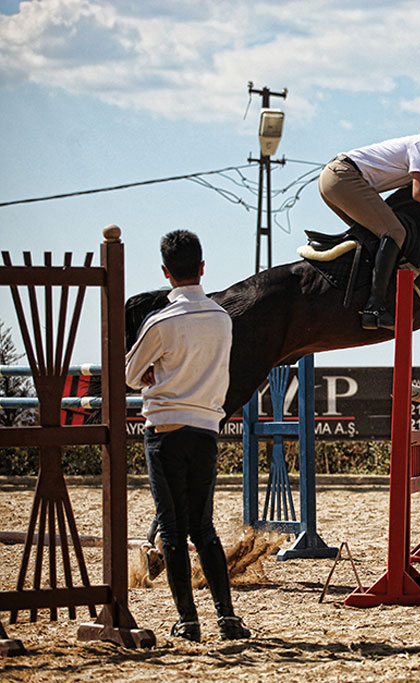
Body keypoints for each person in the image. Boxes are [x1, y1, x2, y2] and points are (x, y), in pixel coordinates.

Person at [125, 230, 250, 643]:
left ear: (165, 272)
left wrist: (151, 372)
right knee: (204, 527)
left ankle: (187, 619)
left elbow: (129, 374)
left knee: (173, 530)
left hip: (164, 428)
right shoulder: (222, 317)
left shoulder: (160, 321)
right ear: (202, 268)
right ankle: (227, 616)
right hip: (206, 429)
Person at [319, 112, 420, 331]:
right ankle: (374, 306)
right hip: (344, 177)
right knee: (394, 232)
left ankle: (366, 301)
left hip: (335, 179)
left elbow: (408, 192)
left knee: (377, 237)